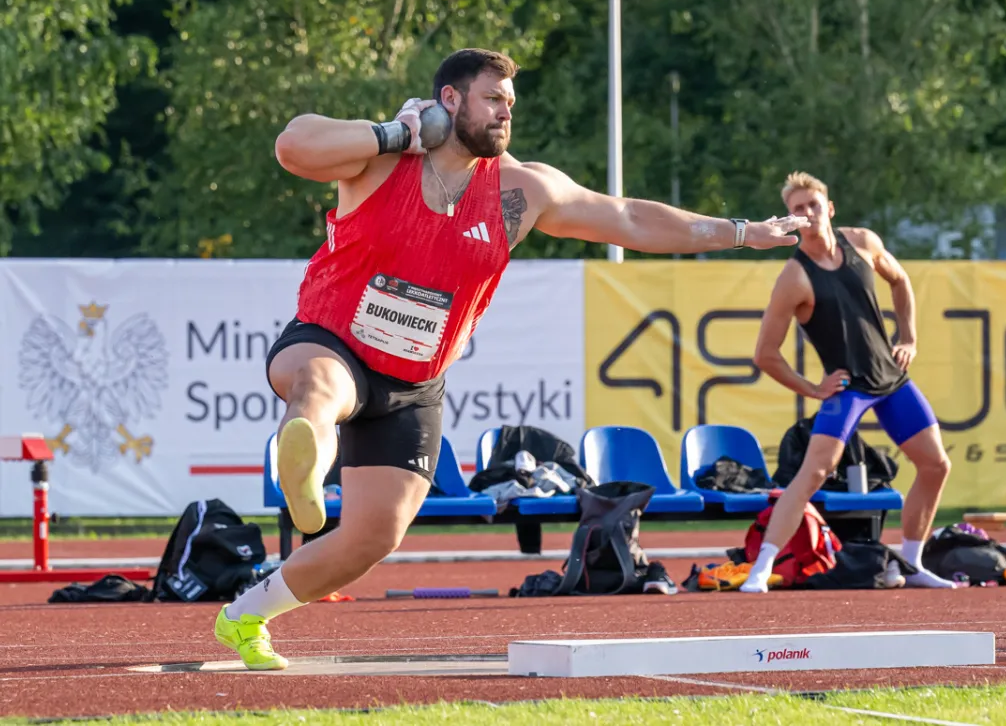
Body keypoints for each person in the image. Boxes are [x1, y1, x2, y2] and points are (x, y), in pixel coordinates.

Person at [213, 47, 806, 670]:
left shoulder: (523, 190)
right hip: (331, 337)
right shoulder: (380, 158)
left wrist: (739, 231)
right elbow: (293, 144)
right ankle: (303, 472)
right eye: (493, 99)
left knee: (372, 537)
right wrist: (398, 132)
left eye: (511, 104)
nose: (505, 113)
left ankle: (245, 615)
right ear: (450, 100)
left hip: (415, 383)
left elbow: (630, 217)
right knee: (321, 389)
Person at [739, 171, 956, 593]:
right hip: (849, 387)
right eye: (797, 210)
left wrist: (908, 336)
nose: (807, 213)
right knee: (814, 472)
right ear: (789, 219)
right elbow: (765, 354)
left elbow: (901, 281)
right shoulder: (794, 278)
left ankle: (911, 562)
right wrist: (812, 388)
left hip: (891, 379)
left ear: (829, 208)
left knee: (936, 465)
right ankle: (761, 567)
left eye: (813, 205)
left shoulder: (863, 241)